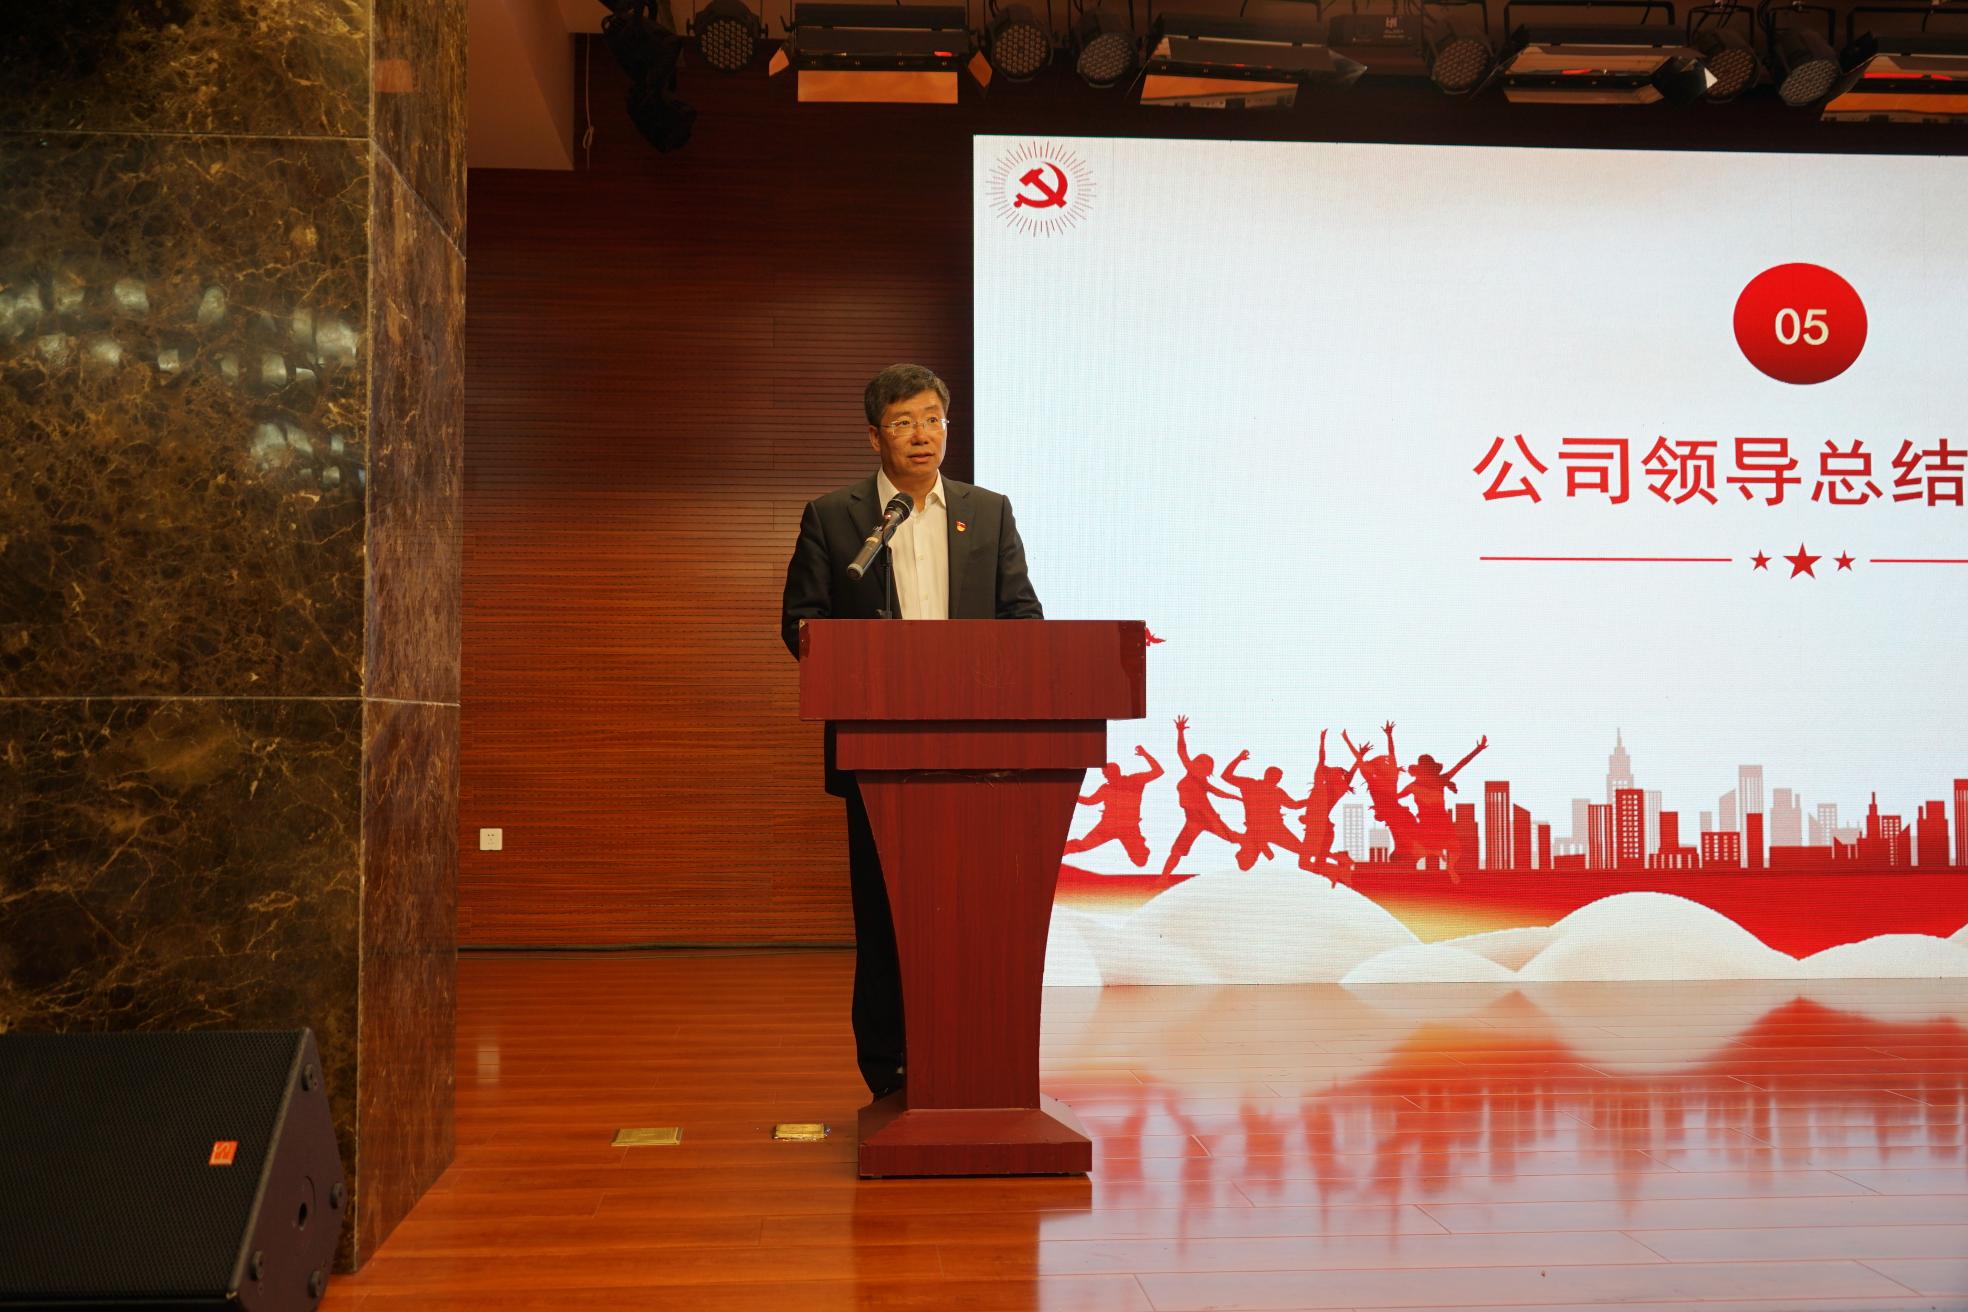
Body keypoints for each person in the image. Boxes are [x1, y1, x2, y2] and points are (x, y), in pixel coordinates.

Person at [780, 363, 1043, 1102]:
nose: (922, 434)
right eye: (903, 422)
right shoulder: (834, 517)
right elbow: (800, 624)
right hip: (878, 753)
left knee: (973, 915)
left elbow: (1023, 617)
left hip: (979, 754)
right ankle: (889, 1070)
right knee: (886, 915)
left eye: (932, 419)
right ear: (876, 437)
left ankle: (975, 1058)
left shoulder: (988, 513)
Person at [1065, 747, 1164, 867]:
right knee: (1083, 845)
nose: (1106, 777)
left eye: (1107, 774)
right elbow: (1090, 801)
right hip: (1107, 827)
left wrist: (1145, 754)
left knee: (1140, 861)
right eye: (1104, 775)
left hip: (1129, 829)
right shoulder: (1106, 788)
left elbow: (1158, 771)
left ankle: (1140, 847)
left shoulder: (1134, 780)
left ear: (1116, 772)